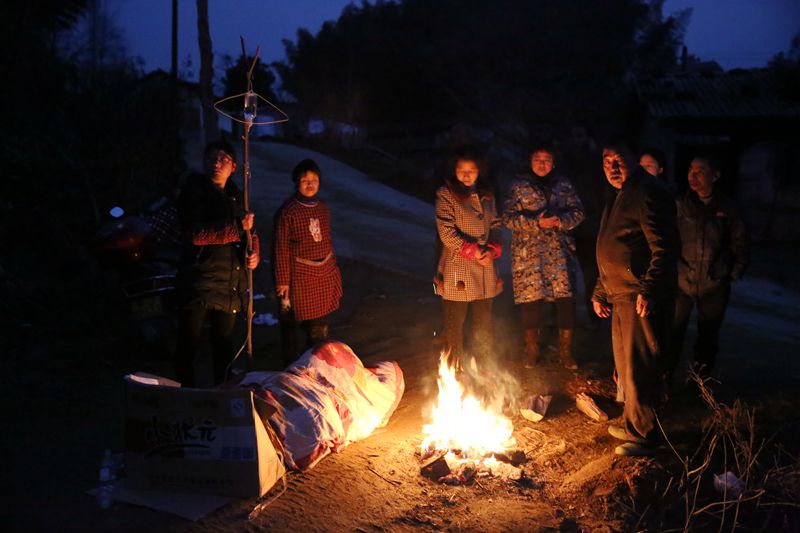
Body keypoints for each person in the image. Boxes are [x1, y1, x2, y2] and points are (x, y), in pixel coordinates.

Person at [592, 142, 679, 456]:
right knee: (626, 366)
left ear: (635, 162)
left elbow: (665, 247)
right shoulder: (618, 194)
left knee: (641, 364)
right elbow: (610, 246)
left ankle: (643, 435)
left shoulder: (647, 192)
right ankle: (632, 423)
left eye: (620, 160)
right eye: (606, 161)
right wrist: (600, 290)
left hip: (638, 294)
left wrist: (650, 289)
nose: (613, 167)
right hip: (620, 293)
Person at [173, 140, 260, 387]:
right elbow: (196, 234)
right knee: (188, 343)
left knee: (224, 345)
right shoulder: (194, 193)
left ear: (233, 166)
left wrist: (253, 254)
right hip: (199, 280)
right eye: (211, 158)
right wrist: (235, 228)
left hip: (229, 283)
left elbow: (250, 234)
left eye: (223, 159)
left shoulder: (237, 197)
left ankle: (222, 396)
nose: (216, 164)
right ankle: (184, 395)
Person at [666, 156, 749, 383]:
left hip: (714, 283)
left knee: (708, 336)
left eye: (700, 170)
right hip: (683, 280)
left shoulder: (727, 207)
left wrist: (732, 270)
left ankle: (700, 384)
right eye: (691, 170)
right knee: (673, 332)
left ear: (715, 175)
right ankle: (664, 381)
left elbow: (739, 241)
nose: (693, 175)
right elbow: (668, 238)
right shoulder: (681, 204)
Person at [503, 144, 585, 369]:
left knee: (565, 300)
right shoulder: (518, 185)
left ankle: (566, 352)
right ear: (530, 160)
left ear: (554, 162)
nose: (542, 164)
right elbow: (508, 218)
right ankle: (531, 351)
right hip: (528, 255)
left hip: (559, 252)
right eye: (537, 159)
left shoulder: (563, 184)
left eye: (547, 159)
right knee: (531, 301)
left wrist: (560, 220)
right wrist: (535, 223)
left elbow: (578, 212)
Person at [434, 145, 503, 367]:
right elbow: (446, 232)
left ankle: (482, 365)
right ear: (453, 170)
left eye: (471, 169)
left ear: (479, 170)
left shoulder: (487, 194)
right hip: (459, 265)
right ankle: (455, 367)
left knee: (483, 321)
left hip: (485, 267)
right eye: (461, 169)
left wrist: (492, 249)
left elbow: (496, 224)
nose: (466, 174)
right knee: (455, 321)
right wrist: (474, 251)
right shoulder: (446, 195)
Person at [273, 159, 342, 366]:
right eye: (305, 180)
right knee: (293, 330)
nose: (310, 184)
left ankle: (317, 370)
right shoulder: (288, 211)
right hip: (300, 280)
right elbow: (280, 247)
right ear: (296, 182)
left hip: (323, 276)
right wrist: (282, 281)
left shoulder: (323, 208)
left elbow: (327, 239)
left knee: (319, 332)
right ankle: (292, 372)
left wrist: (334, 270)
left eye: (314, 179)